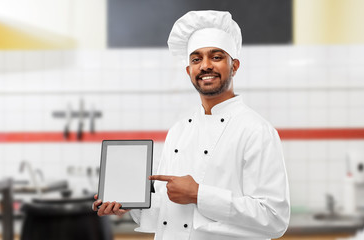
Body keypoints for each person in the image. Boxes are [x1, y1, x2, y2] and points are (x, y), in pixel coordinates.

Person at [93, 10, 290, 240]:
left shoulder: (257, 131)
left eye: (216, 57)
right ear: (189, 71)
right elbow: (169, 215)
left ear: (234, 66)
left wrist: (199, 194)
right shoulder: (178, 131)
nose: (205, 66)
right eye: (196, 59)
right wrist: (130, 204)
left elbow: (275, 217)